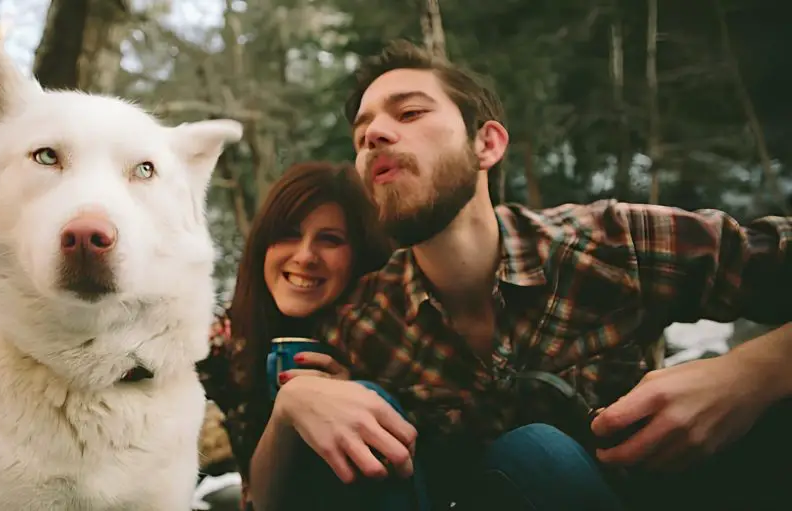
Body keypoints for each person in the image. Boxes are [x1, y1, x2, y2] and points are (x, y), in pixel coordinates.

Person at [249, 39, 792, 511]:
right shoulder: (361, 324)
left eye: (409, 113)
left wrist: (753, 373)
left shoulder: (609, 244)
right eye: (361, 132)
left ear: (486, 144)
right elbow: (277, 500)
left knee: (537, 455)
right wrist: (291, 408)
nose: (373, 136)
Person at [196, 160, 394, 510]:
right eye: (288, 234)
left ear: (360, 254)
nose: (305, 256)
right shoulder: (226, 341)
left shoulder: (387, 334)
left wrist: (361, 391)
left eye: (330, 240)